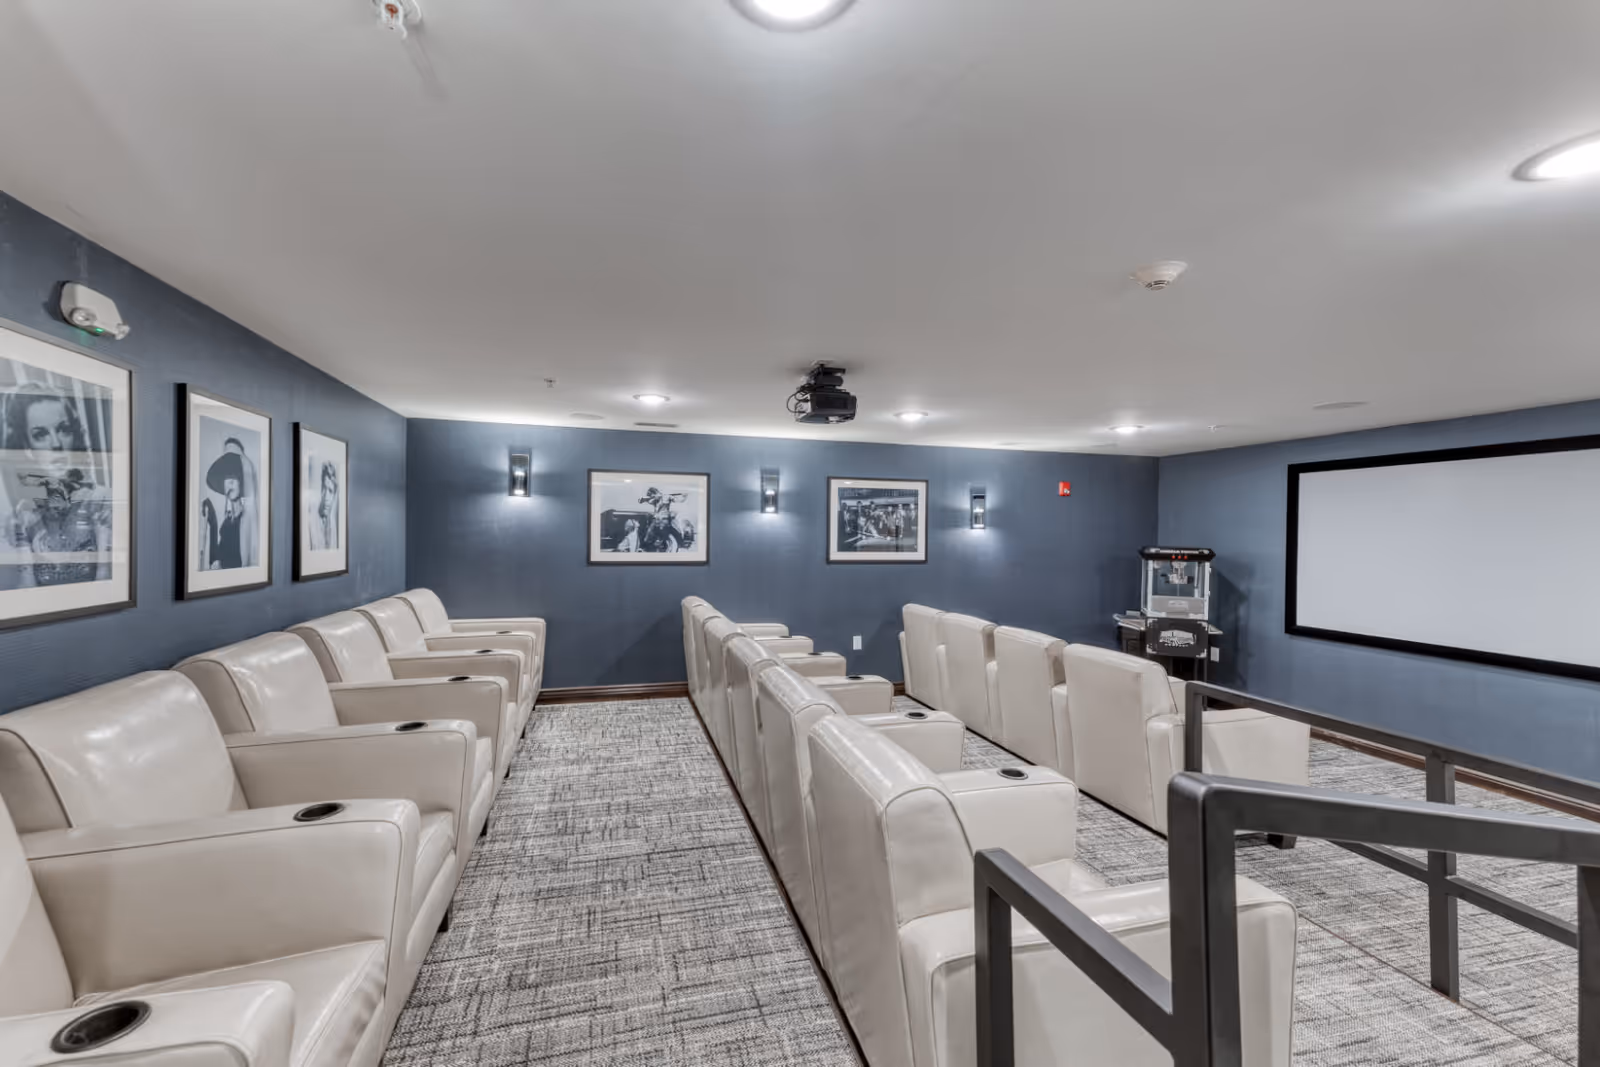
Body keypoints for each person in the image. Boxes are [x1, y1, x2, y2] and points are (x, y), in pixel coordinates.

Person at [0, 381, 112, 587]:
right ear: (27, 447)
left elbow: (106, 581)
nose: (56, 444)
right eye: (40, 435)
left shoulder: (100, 499)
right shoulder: (25, 511)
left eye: (63, 429)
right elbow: (27, 585)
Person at [200, 437, 256, 570]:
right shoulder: (226, 523)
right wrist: (213, 524)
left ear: (241, 482)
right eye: (226, 479)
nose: (228, 484)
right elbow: (217, 562)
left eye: (233, 477)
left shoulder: (248, 517)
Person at [310, 459, 340, 551]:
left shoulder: (333, 525)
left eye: (330, 491)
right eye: (324, 489)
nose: (326, 497)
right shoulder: (311, 523)